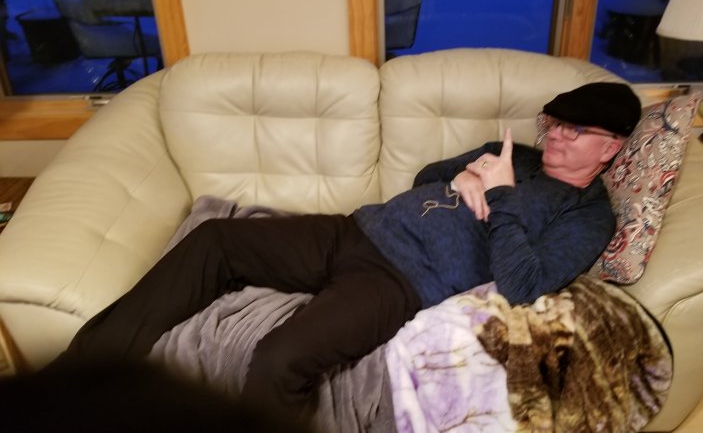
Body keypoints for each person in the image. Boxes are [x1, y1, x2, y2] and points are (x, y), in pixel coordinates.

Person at [47, 81, 641, 423]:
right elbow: (424, 177)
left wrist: (502, 194)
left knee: (281, 360)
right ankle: (76, 378)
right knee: (214, 240)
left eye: (575, 130)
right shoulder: (515, 153)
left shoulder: (586, 214)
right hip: (353, 231)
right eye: (554, 122)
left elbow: (523, 284)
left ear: (610, 149)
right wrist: (463, 174)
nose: (555, 135)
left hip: (399, 282)